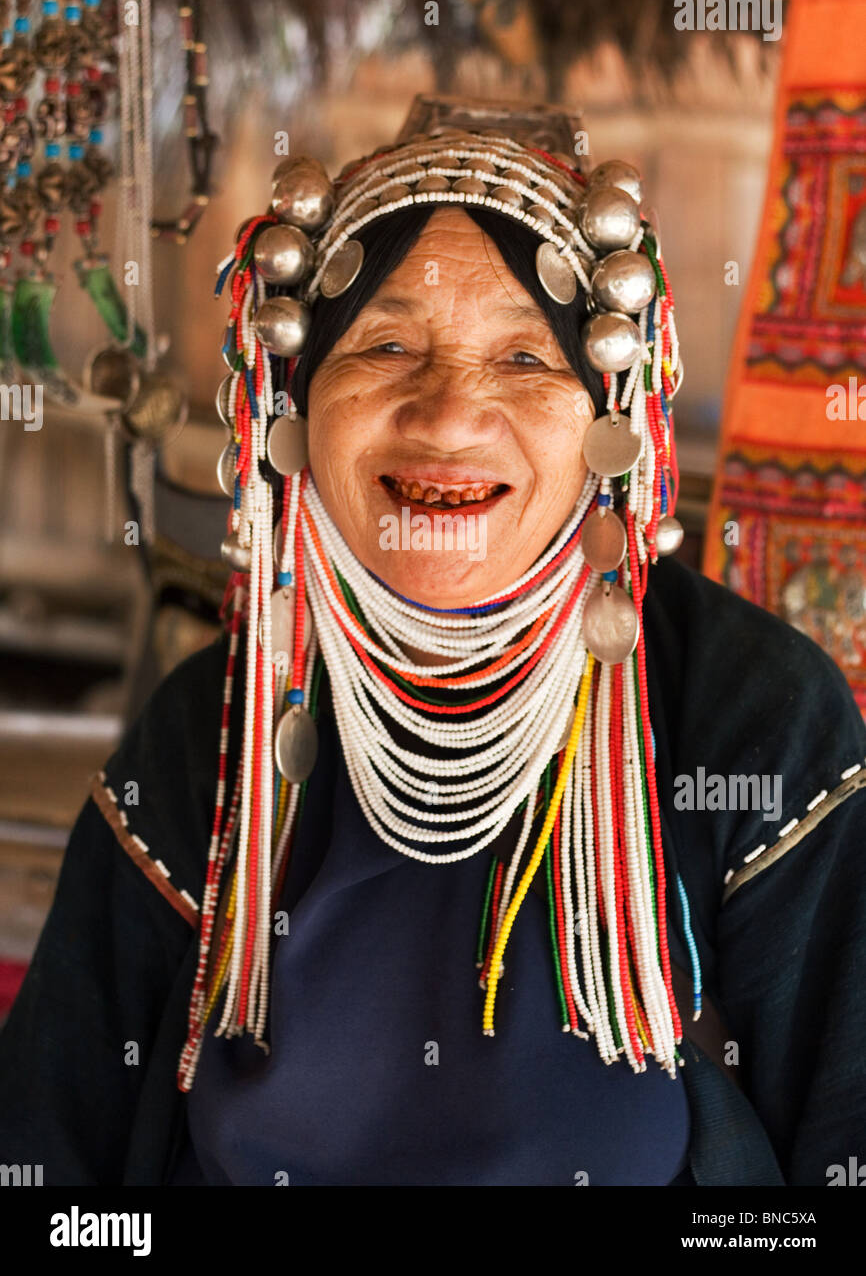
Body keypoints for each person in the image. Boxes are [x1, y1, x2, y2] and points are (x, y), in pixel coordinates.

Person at [2, 97, 865, 1187]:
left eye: (522, 359)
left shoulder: (747, 721)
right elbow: (46, 1157)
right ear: (297, 402)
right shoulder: (215, 733)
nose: (449, 414)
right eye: (388, 342)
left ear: (605, 416)